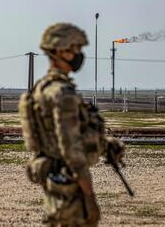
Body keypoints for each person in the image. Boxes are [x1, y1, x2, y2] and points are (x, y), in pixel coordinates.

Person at [20, 23, 126, 227]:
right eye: (75, 49)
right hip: (70, 184)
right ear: (61, 51)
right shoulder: (63, 94)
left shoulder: (42, 89)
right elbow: (71, 149)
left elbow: (55, 139)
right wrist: (89, 195)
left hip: (56, 180)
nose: (79, 54)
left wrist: (104, 144)